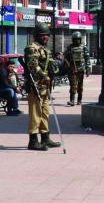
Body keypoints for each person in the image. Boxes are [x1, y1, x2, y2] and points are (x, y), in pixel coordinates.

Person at [24, 23, 62, 151]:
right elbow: (33, 65)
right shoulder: (32, 48)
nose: (45, 37)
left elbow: (51, 64)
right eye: (43, 35)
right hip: (35, 85)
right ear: (37, 36)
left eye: (47, 35)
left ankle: (45, 138)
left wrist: (55, 69)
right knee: (36, 114)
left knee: (45, 113)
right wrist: (43, 75)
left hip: (45, 86)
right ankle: (33, 141)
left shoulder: (45, 49)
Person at [64, 31, 90, 106]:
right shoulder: (70, 48)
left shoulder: (84, 48)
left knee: (80, 86)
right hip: (72, 70)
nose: (77, 41)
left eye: (78, 39)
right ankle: (72, 100)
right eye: (75, 39)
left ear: (80, 39)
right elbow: (65, 58)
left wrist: (88, 68)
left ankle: (79, 100)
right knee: (73, 85)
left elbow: (87, 58)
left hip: (81, 69)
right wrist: (68, 65)